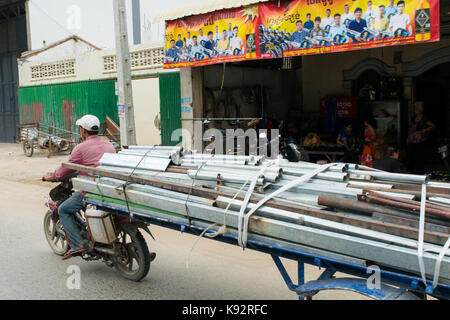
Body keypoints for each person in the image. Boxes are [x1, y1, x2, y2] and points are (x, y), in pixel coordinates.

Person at [42, 115, 116, 260]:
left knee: (63, 209)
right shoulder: (109, 145)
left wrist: (51, 176)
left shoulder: (80, 148)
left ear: (83, 130)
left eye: (80, 128)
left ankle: (77, 245)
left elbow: (65, 170)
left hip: (92, 191)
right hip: (111, 188)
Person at [407, 102, 436, 174]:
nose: (415, 110)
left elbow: (433, 126)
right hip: (412, 139)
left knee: (419, 155)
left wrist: (424, 131)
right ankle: (411, 170)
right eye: (415, 108)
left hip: (420, 140)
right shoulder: (413, 118)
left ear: (421, 109)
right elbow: (411, 128)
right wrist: (408, 137)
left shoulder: (424, 118)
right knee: (411, 154)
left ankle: (419, 170)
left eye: (417, 108)